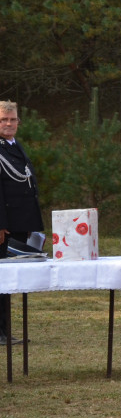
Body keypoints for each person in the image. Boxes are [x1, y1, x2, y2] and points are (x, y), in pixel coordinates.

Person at [0, 101, 44, 345]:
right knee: (1, 280)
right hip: (4, 225)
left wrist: (29, 222)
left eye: (12, 119)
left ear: (18, 121)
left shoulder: (14, 146)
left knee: (8, 281)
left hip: (18, 222)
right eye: (3, 120)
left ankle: (5, 331)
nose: (8, 124)